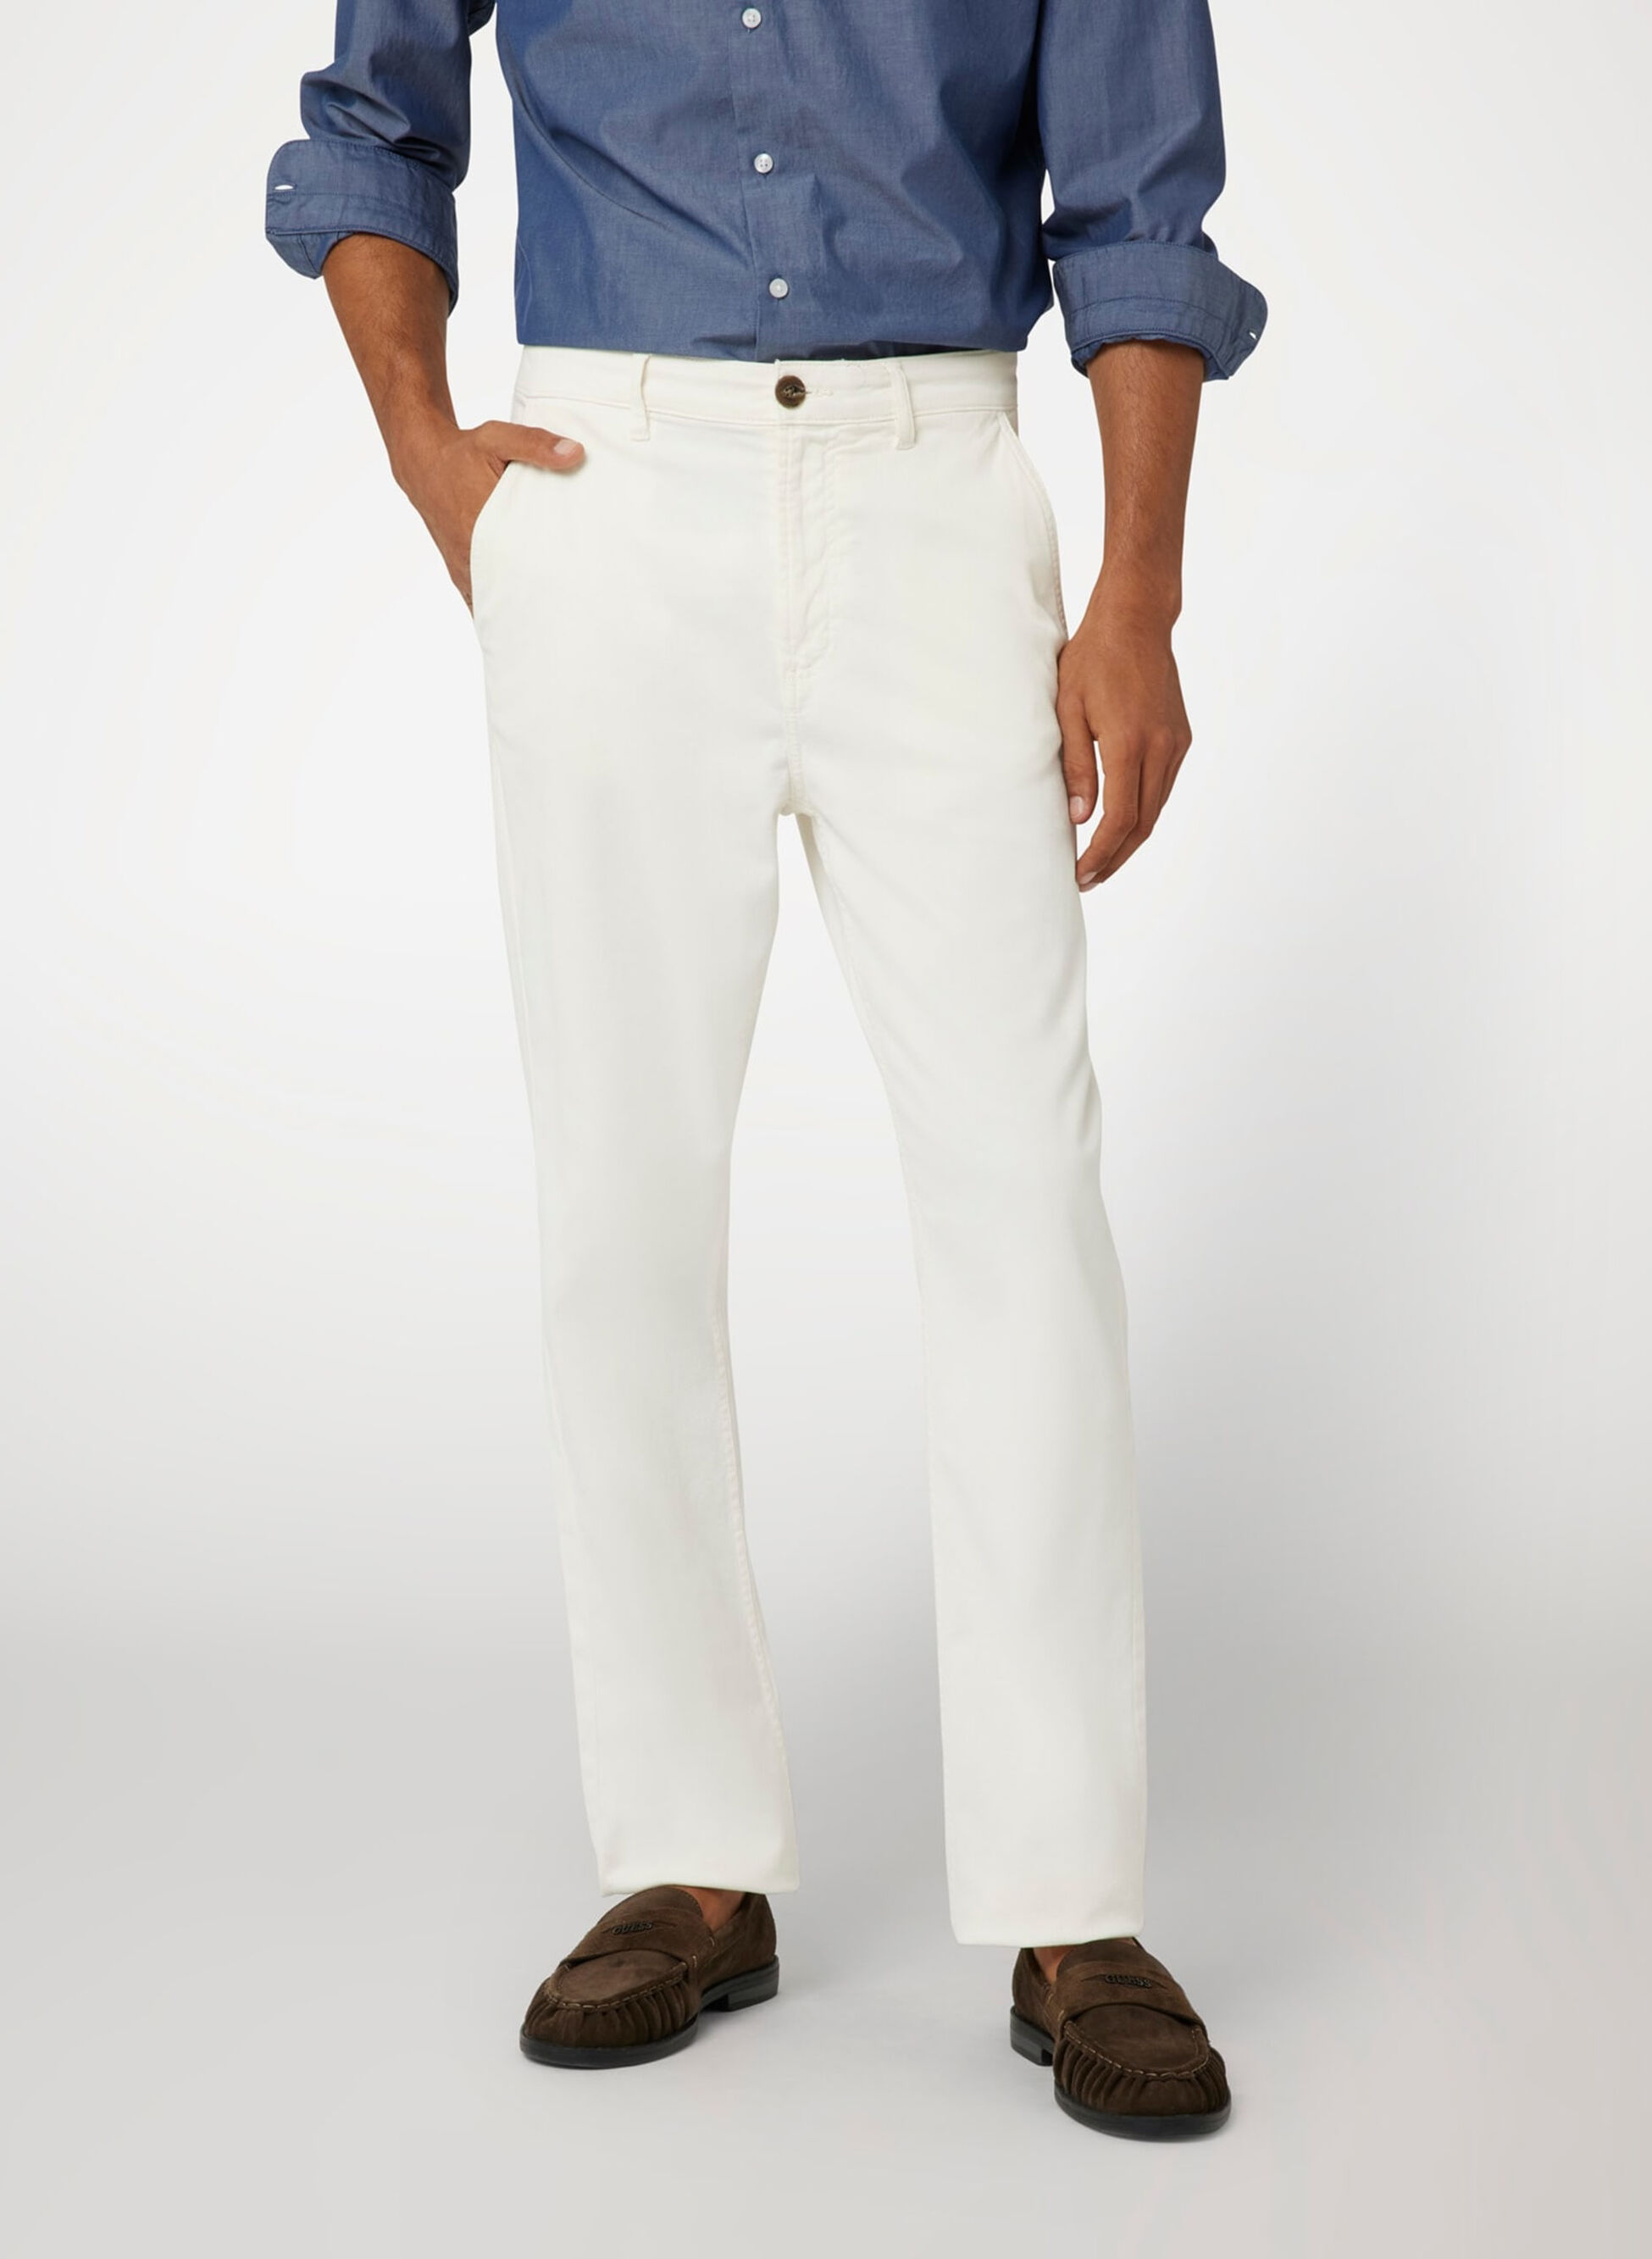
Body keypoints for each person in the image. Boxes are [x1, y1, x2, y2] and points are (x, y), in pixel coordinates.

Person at [266, 0, 1264, 2140]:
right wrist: (429, 451)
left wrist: (1141, 591)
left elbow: (1138, 195)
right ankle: (688, 1855)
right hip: (608, 488)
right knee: (620, 1204)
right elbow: (373, 113)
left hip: (936, 482)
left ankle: (1072, 1901)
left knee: (1022, 1200)